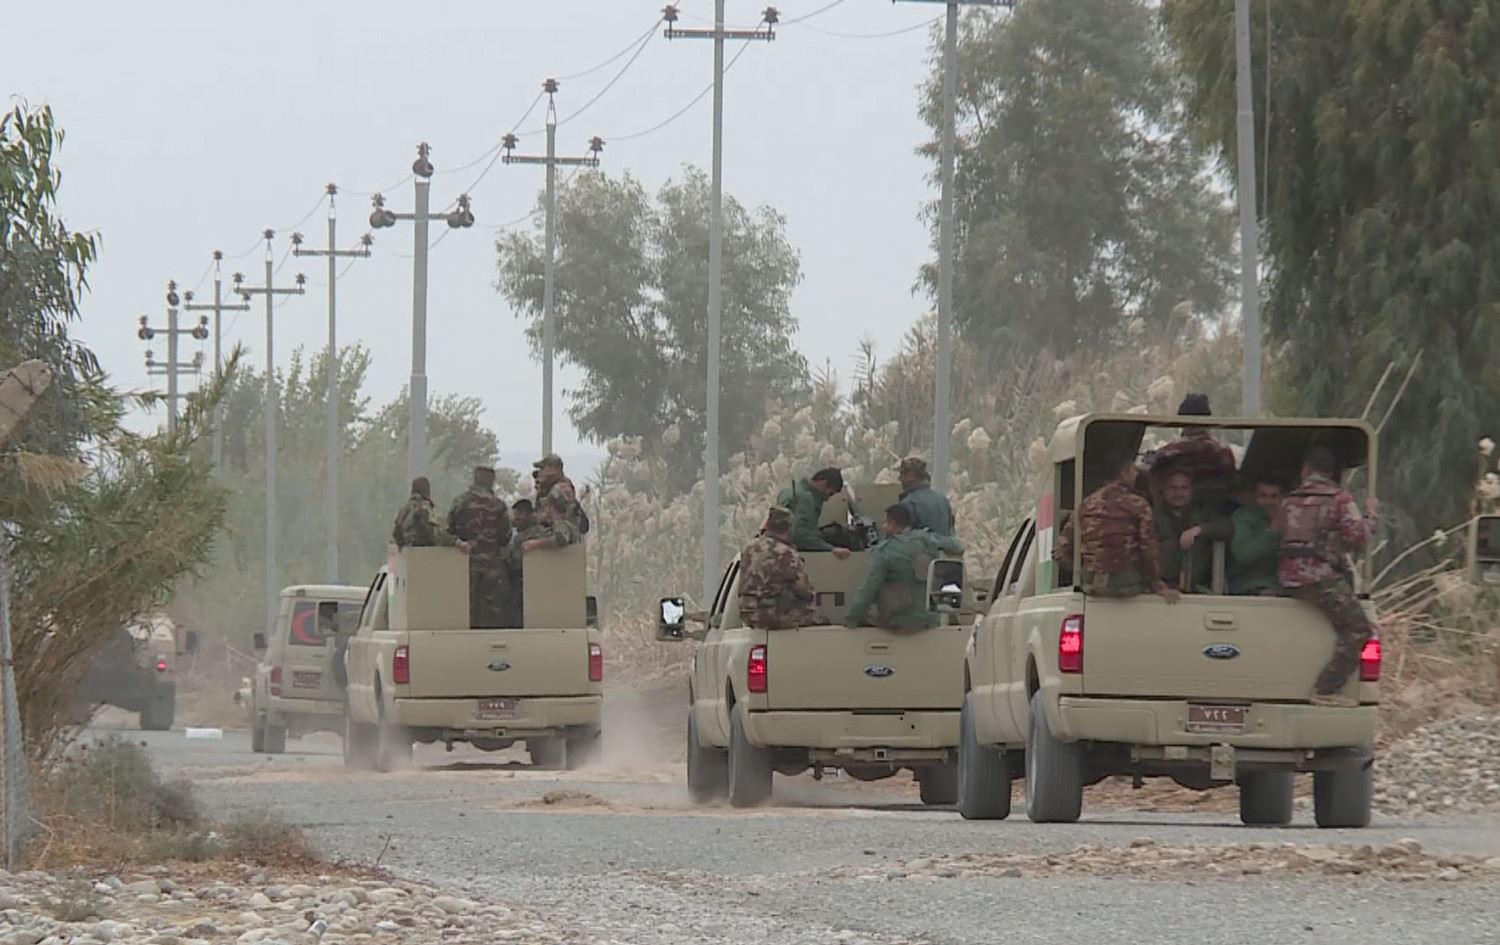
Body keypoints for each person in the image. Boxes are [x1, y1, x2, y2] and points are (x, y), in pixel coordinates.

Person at [1275, 445, 1379, 707]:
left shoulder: (1288, 500)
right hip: (1320, 580)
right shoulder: (1339, 499)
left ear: (1305, 470)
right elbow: (1356, 537)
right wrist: (1371, 517)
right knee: (1360, 629)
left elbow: (1276, 532)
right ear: (1331, 473)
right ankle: (1326, 688)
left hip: (1286, 579)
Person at [845, 505, 964, 629]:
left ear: (892, 524)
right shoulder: (927, 539)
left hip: (899, 621)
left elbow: (868, 590)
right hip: (929, 619)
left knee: (869, 613)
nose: (883, 527)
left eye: (885, 522)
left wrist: (851, 620)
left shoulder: (885, 551)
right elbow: (957, 547)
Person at [1078, 453, 1177, 601]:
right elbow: (1148, 549)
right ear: (1123, 473)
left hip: (1089, 583)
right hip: (1124, 583)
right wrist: (1157, 584)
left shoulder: (1086, 504)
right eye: (1133, 470)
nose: (1137, 474)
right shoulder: (1138, 504)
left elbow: (1064, 546)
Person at [447, 466, 514, 629]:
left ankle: (467, 638)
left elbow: (450, 531)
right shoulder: (498, 505)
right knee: (494, 609)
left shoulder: (460, 502)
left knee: (466, 606)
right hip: (492, 564)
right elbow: (505, 538)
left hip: (465, 563)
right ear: (491, 481)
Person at [1150, 393, 1237, 514]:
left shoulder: (1170, 453)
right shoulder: (1224, 453)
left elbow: (1152, 472)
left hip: (1175, 515)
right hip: (1217, 514)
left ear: (1182, 421)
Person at [738, 507, 822, 630]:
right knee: (817, 617)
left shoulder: (749, 549)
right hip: (771, 616)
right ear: (789, 528)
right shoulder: (786, 553)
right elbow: (806, 590)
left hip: (748, 614)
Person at [1155, 468, 1233, 592]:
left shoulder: (1203, 514)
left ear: (1191, 490)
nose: (1178, 493)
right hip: (1161, 590)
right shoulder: (1152, 516)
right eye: (1173, 488)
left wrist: (1198, 530)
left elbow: (1227, 527)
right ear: (1163, 491)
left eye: (1184, 488)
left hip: (1198, 589)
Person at [777, 467, 853, 558]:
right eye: (830, 493)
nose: (827, 499)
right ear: (824, 483)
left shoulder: (787, 492)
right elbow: (800, 536)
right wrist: (831, 549)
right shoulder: (806, 498)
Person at [1228, 474, 1283, 595]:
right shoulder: (1243, 517)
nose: (1269, 502)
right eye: (1263, 496)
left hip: (1283, 583)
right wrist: (1272, 532)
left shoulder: (1290, 517)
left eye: (1274, 496)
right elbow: (1243, 554)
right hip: (1247, 585)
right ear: (1253, 497)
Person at [392, 477, 464, 550]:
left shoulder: (404, 509)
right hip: (424, 553)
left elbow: (397, 535)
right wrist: (456, 542)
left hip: (408, 553)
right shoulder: (424, 508)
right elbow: (436, 534)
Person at [897, 456, 955, 536]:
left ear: (910, 476)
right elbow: (950, 532)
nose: (899, 478)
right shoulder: (943, 500)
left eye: (902, 474)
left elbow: (902, 537)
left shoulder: (909, 503)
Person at [534, 453, 586, 533]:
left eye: (543, 469)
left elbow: (552, 517)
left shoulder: (561, 489)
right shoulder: (551, 487)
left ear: (554, 469)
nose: (540, 472)